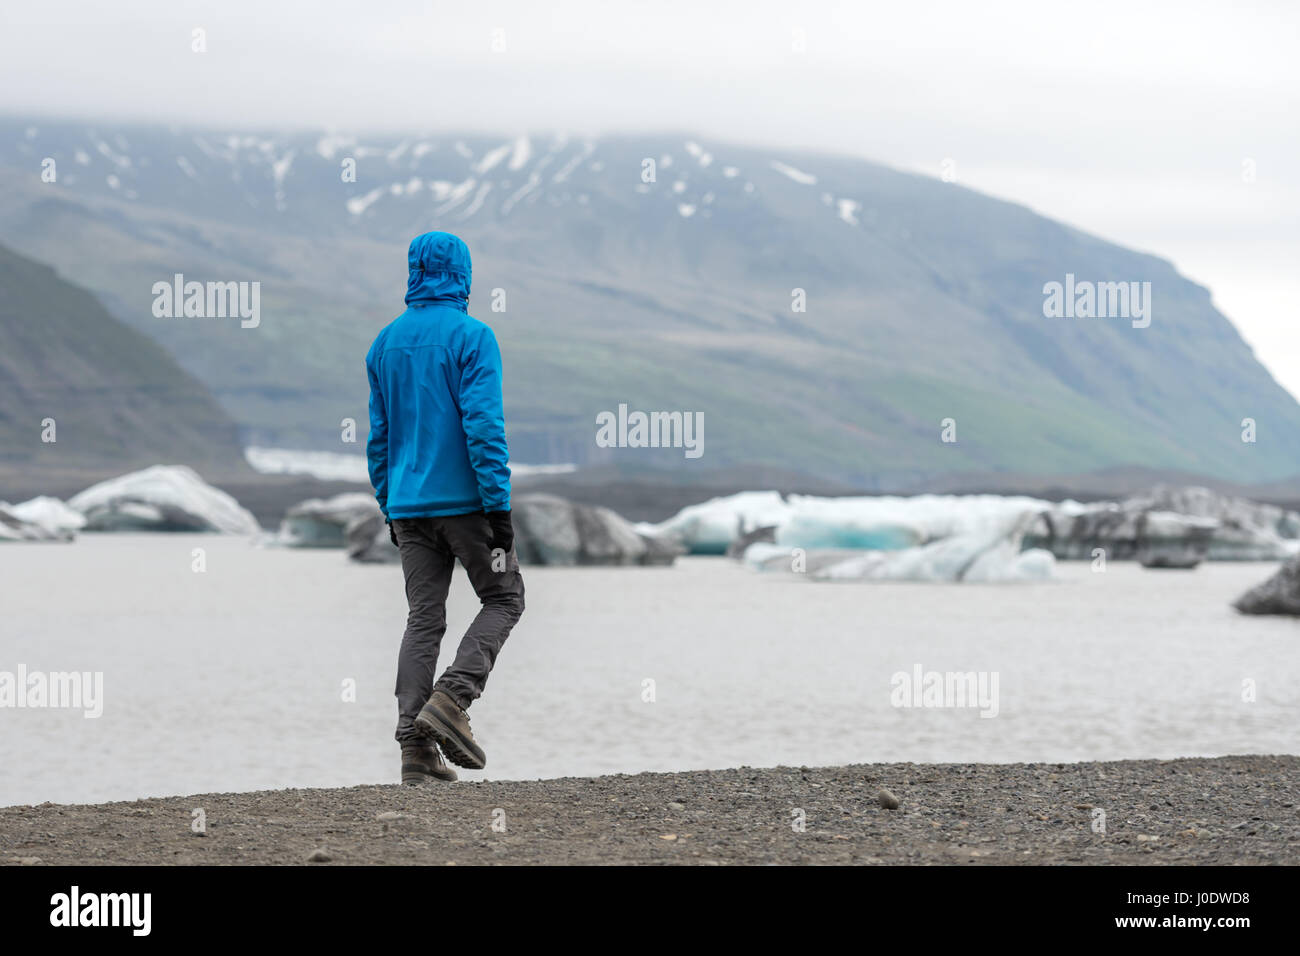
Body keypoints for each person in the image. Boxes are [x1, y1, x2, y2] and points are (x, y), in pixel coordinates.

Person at [365, 231, 525, 785]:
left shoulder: (385, 343)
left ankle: (414, 747)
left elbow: (379, 439)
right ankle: (453, 699)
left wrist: (390, 505)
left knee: (423, 618)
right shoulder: (474, 337)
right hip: (467, 507)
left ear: (413, 272)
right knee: (505, 596)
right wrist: (498, 511)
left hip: (409, 508)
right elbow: (484, 428)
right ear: (464, 275)